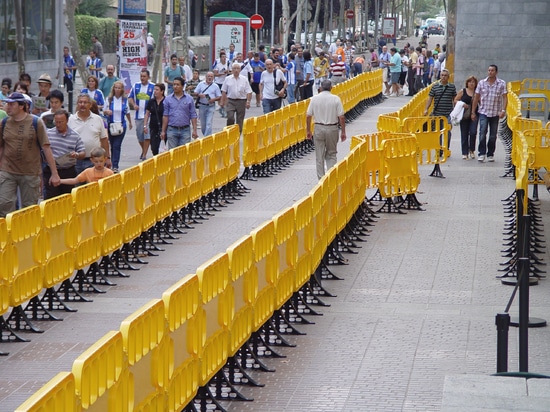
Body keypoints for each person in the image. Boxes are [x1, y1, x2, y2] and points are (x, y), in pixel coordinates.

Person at [0, 92, 60, 217]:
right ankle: (7, 234)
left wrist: (54, 174)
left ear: (21, 106)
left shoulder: (36, 122)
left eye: (12, 104)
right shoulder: (4, 123)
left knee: (29, 208)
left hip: (30, 172)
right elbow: (1, 147)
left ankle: (27, 234)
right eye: (7, 104)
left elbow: (46, 147)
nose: (8, 107)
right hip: (7, 171)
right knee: (5, 203)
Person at [305, 79, 347, 180]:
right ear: (331, 88)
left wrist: (308, 130)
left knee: (319, 155)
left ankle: (321, 179)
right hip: (332, 128)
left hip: (318, 127)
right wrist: (343, 131)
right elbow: (341, 117)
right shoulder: (336, 99)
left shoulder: (314, 99)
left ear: (320, 88)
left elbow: (308, 115)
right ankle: (331, 178)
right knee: (331, 154)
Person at [43, 109, 85, 199]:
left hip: (68, 171)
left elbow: (82, 152)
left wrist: (77, 155)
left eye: (61, 122)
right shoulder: (48, 134)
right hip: (51, 170)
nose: (58, 125)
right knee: (52, 199)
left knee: (67, 198)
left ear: (67, 121)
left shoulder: (75, 135)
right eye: (56, 122)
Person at [471, 64, 507, 162]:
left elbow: (504, 97)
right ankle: (481, 153)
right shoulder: (482, 83)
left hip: (495, 113)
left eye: (492, 70)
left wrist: (503, 110)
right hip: (483, 112)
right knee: (482, 132)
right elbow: (476, 97)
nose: (490, 72)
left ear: (496, 72)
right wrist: (473, 112)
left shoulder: (501, 83)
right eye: (489, 70)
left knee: (493, 135)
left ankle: (490, 154)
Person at [68, 93, 111, 173]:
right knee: (77, 185)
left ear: (90, 105)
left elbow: (104, 140)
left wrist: (107, 158)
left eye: (85, 102)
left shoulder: (98, 119)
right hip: (75, 162)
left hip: (94, 161)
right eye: (80, 102)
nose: (82, 104)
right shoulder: (70, 120)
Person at [161, 77, 198, 148]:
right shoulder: (168, 99)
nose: (175, 86)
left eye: (178, 85)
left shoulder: (189, 99)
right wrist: (163, 131)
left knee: (184, 152)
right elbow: (165, 116)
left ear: (182, 86)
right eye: (174, 84)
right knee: (172, 153)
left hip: (185, 130)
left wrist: (195, 130)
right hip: (172, 130)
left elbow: (193, 115)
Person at [423, 69, 457, 148]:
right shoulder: (435, 87)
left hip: (448, 113)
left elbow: (454, 99)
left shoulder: (452, 87)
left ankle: (446, 148)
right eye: (442, 75)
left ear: (448, 77)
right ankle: (439, 149)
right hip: (437, 113)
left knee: (447, 131)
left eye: (445, 75)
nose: (443, 77)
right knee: (438, 132)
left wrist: (456, 111)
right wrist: (426, 109)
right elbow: (430, 98)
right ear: (440, 76)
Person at [103, 80, 132, 172]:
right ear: (113, 89)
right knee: (111, 145)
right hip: (111, 125)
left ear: (122, 89)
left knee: (117, 145)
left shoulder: (124, 100)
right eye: (116, 88)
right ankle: (110, 162)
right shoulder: (109, 99)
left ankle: (115, 165)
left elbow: (127, 112)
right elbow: (104, 110)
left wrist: (130, 122)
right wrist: (107, 112)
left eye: (119, 88)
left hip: (121, 126)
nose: (117, 90)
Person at [128, 69, 155, 160]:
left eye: (144, 76)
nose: (142, 78)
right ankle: (143, 149)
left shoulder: (153, 86)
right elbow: (130, 97)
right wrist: (134, 105)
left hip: (149, 116)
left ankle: (144, 154)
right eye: (141, 76)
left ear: (148, 77)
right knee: (140, 136)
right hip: (138, 116)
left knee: (147, 135)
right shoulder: (136, 86)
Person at [220, 63, 253, 132]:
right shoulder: (227, 79)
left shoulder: (244, 79)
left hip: (241, 101)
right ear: (231, 70)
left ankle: (238, 134)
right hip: (230, 101)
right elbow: (224, 91)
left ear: (240, 70)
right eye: (234, 68)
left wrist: (248, 102)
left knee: (240, 120)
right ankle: (229, 131)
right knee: (230, 117)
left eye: (237, 68)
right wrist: (222, 101)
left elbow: (249, 91)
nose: (236, 70)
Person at [454, 76, 479, 160]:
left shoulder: (477, 92)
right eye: (470, 82)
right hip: (464, 115)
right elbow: (455, 100)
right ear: (467, 83)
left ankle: (471, 150)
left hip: (474, 115)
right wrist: (462, 104)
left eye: (473, 82)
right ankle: (464, 152)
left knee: (473, 132)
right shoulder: (463, 91)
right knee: (464, 133)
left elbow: (481, 102)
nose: (471, 84)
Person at [194, 72, 222, 137]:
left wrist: (213, 99)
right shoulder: (201, 84)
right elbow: (195, 92)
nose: (210, 78)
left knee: (209, 123)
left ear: (213, 78)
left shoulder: (215, 86)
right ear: (206, 77)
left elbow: (219, 96)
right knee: (203, 124)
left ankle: (206, 138)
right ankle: (206, 136)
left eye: (211, 76)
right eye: (208, 76)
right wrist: (199, 95)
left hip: (211, 106)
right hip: (202, 106)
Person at [143, 83, 165, 156]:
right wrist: (145, 125)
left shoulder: (166, 101)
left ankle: (160, 162)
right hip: (153, 127)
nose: (155, 91)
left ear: (162, 91)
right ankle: (155, 159)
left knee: (161, 146)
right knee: (154, 147)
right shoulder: (151, 101)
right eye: (154, 89)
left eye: (157, 90)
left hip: (163, 127)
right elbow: (147, 113)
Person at [213, 51, 230, 117]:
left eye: (225, 57)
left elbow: (231, 71)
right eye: (222, 57)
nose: (224, 58)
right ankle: (221, 107)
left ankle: (225, 108)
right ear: (220, 58)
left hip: (226, 82)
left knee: (225, 96)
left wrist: (228, 72)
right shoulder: (218, 65)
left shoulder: (228, 63)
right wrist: (222, 73)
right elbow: (215, 74)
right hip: (219, 82)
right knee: (220, 96)